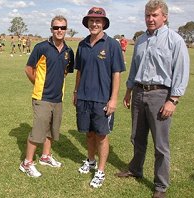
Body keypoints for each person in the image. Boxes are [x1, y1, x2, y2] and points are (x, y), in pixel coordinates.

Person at [115, 1, 190, 198]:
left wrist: (172, 100)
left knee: (160, 145)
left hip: (160, 95)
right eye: (147, 15)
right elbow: (134, 68)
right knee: (137, 137)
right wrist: (129, 91)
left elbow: (181, 72)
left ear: (164, 16)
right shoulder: (140, 40)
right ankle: (135, 169)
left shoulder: (175, 40)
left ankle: (160, 186)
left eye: (155, 15)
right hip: (139, 93)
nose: (150, 19)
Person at [73, 7, 125, 188]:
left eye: (98, 21)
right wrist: (75, 92)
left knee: (101, 136)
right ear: (87, 23)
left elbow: (116, 74)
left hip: (102, 99)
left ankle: (101, 171)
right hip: (84, 97)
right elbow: (79, 71)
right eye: (91, 21)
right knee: (88, 133)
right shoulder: (82, 44)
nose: (94, 24)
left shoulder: (112, 45)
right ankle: (91, 160)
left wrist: (113, 99)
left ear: (104, 23)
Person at [19, 15, 74, 177]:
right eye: (56, 27)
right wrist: (38, 85)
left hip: (58, 98)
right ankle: (27, 163)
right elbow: (29, 69)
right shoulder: (41, 47)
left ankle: (45, 156)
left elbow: (65, 72)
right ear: (51, 29)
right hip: (42, 97)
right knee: (37, 132)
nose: (59, 30)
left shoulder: (68, 51)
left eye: (62, 28)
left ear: (66, 30)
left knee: (51, 130)